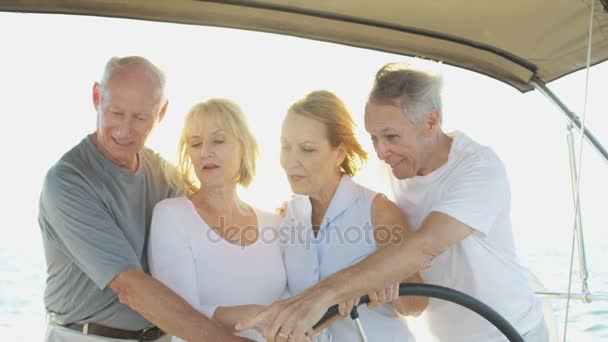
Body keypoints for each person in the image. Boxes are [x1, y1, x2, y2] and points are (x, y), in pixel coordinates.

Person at [236, 64, 548, 342]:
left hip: (509, 329)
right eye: (373, 138)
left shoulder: (478, 168)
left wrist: (323, 296)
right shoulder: (389, 166)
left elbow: (422, 247)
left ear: (431, 121)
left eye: (391, 137)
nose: (381, 152)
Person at [39, 56, 248, 342]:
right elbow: (130, 288)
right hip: (88, 337)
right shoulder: (68, 181)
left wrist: (273, 216)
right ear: (97, 97)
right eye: (116, 113)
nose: (125, 131)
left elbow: (210, 212)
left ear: (161, 112)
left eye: (140, 118)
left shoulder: (164, 174)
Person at [278, 90, 427, 342]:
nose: (291, 161)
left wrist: (392, 285)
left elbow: (417, 303)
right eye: (285, 146)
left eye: (307, 149)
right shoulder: (286, 215)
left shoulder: (377, 211)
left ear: (340, 152)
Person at [148, 99, 287, 342]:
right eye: (195, 144)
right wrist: (246, 314)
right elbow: (176, 316)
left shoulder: (276, 223)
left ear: (244, 147)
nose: (205, 152)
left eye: (218, 141)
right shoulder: (172, 215)